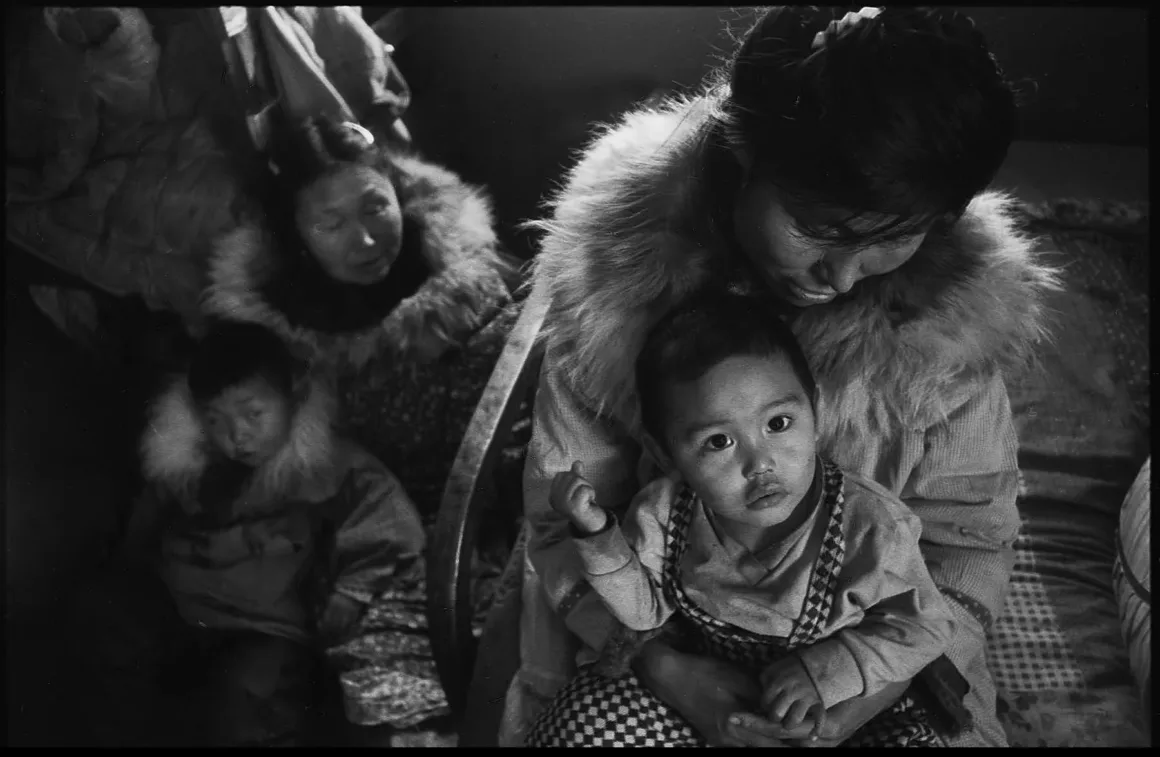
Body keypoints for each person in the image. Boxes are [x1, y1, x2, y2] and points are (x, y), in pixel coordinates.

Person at [499, 5, 1061, 748]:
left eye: (889, 241)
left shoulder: (944, 330)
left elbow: (969, 544)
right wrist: (664, 668)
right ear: (743, 150)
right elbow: (560, 518)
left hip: (880, 676)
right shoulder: (614, 285)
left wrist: (861, 689)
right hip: (656, 656)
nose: (842, 275)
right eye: (818, 229)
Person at [528, 294, 960, 746]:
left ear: (815, 410)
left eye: (778, 424)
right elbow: (643, 611)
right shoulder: (662, 514)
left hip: (834, 711)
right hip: (703, 696)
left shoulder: (870, 525)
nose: (759, 463)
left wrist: (828, 672)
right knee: (583, 723)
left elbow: (925, 625)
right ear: (665, 454)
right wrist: (597, 535)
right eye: (718, 442)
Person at [66, 321, 427, 746]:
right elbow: (144, 526)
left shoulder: (329, 463)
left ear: (293, 394)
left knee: (249, 701)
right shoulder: (188, 466)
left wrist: (352, 592)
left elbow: (388, 519)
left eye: (253, 414)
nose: (236, 436)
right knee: (107, 626)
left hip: (266, 628)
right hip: (182, 609)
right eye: (216, 420)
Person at [201, 114, 516, 519]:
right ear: (293, 236)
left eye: (376, 207)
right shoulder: (269, 341)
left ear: (398, 194)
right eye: (331, 225)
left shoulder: (465, 278)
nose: (366, 239)